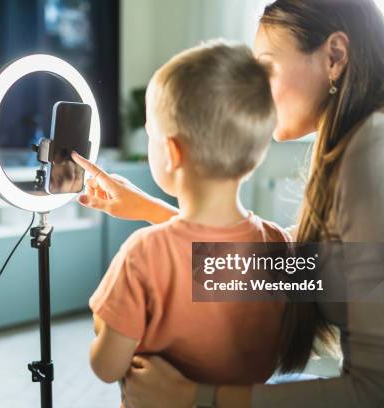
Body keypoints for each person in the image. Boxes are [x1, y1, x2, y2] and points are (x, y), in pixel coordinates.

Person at [73, 0, 384, 406]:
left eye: (264, 68)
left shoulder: (383, 149)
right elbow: (301, 269)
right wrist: (151, 211)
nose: (254, 91)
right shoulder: (374, 138)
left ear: (334, 57)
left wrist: (198, 396)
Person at [84, 41, 289, 405]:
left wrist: (105, 325)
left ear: (173, 153)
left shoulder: (142, 254)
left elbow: (106, 367)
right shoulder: (275, 244)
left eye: (150, 133)